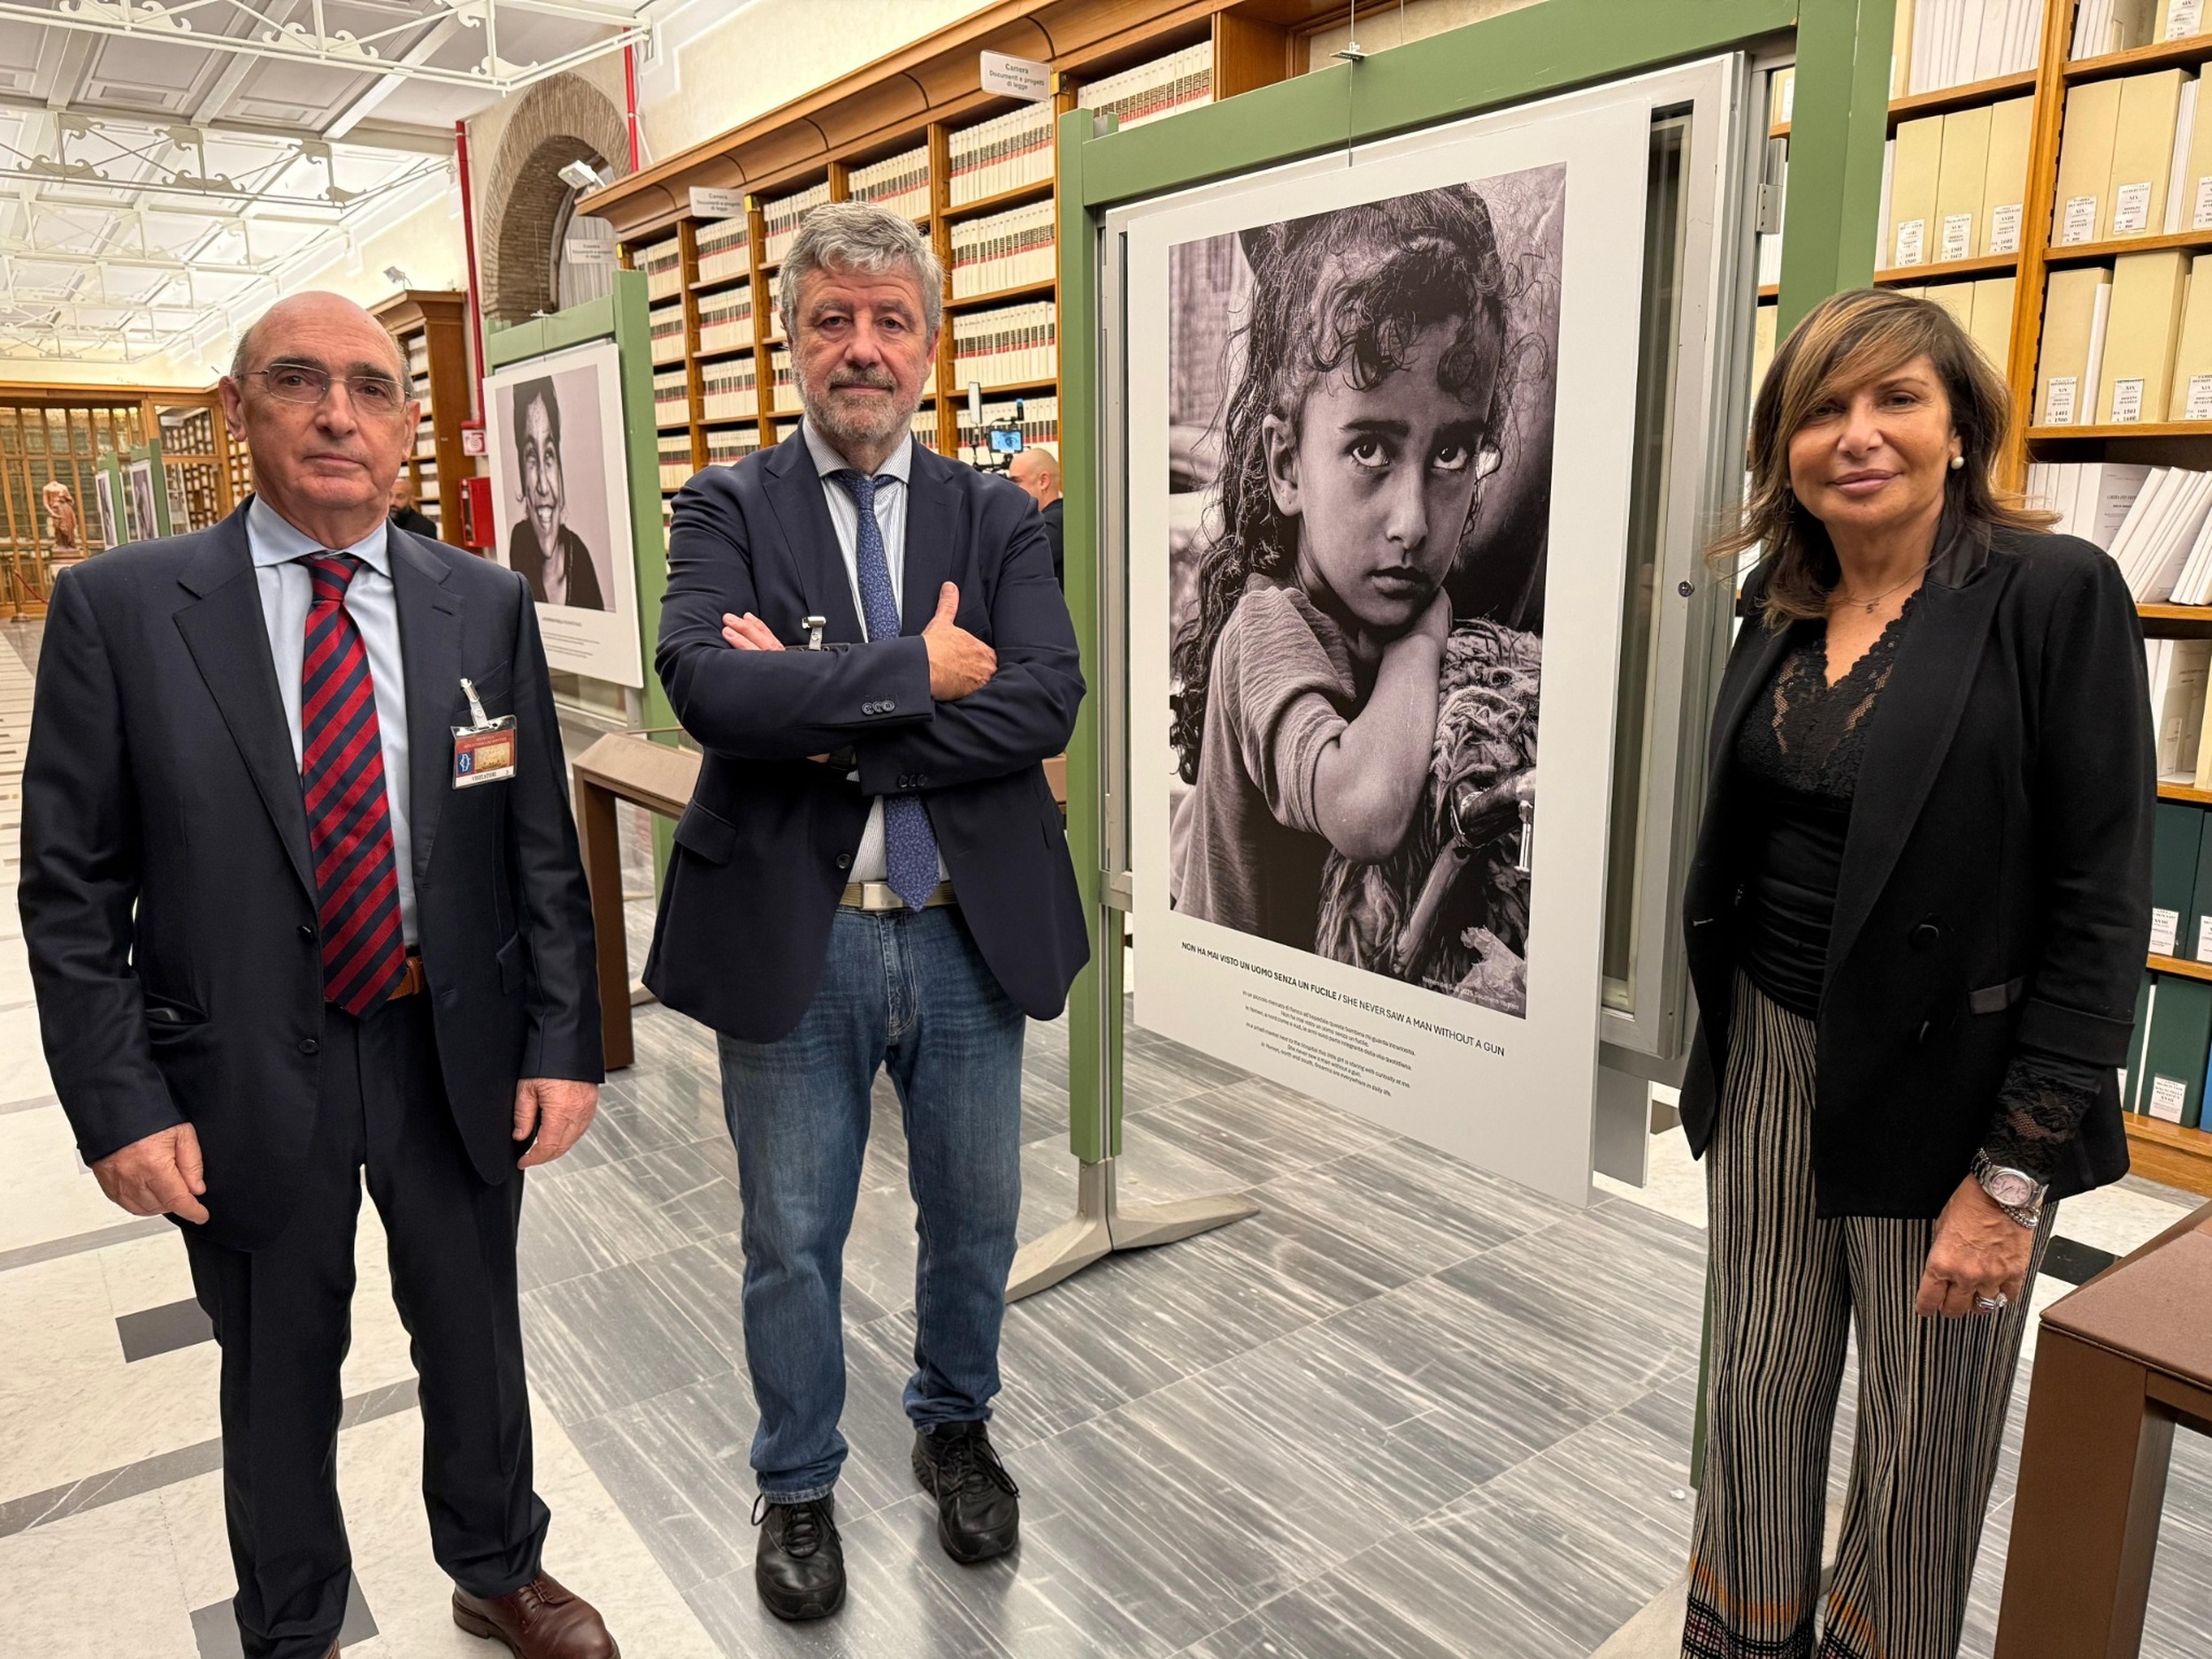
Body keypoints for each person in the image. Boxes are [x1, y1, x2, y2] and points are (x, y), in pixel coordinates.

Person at [19, 293, 619, 1659]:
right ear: (240, 411)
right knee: (277, 1356)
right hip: (237, 1056)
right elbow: (70, 888)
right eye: (299, 381)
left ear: (410, 423)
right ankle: (290, 1622)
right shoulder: (125, 610)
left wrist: (563, 1042)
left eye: (371, 386)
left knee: (475, 1328)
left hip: (446, 1043)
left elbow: (535, 844)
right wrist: (119, 1102)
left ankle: (498, 1565)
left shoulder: (483, 602)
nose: (338, 414)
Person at [1679, 288, 2151, 1659]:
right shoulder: (1782, 594)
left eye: (1897, 399)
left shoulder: (2053, 595)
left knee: (1920, 1437)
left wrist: (2012, 1178)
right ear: (1784, 446)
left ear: (1960, 431)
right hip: (1770, 1050)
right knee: (1755, 1383)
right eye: (1823, 408)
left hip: (1954, 1091)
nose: (1858, 434)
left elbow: (2100, 906)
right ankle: (1743, 1636)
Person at [646, 201, 1087, 1623]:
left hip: (966, 926)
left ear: (930, 345)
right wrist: (920, 672)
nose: (863, 348)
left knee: (977, 1216)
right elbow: (708, 689)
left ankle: (955, 1422)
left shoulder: (996, 514)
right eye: (832, 319)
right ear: (790, 339)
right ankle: (797, 1479)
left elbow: (1046, 699)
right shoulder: (725, 506)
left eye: (891, 321)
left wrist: (825, 713)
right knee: (791, 1234)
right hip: (801, 930)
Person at [1169, 186, 1513, 950]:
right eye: (1370, 449)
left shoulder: (1364, 607)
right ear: (1287, 466)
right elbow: (1364, 809)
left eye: (1451, 453)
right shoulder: (1267, 625)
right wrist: (1422, 638)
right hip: (1237, 1018)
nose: (1413, 522)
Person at [505, 376, 606, 611]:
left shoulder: (579, 559)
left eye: (549, 455)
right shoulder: (519, 543)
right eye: (531, 456)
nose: (543, 486)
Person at [1007, 445, 1064, 586]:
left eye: (1016, 481)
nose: (1010, 489)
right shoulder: (1063, 518)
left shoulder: (1051, 526)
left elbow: (1013, 566)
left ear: (1043, 481)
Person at [389, 469, 440, 540]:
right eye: (390, 496)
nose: (393, 502)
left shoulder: (425, 527)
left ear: (411, 500)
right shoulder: (378, 522)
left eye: (400, 497)